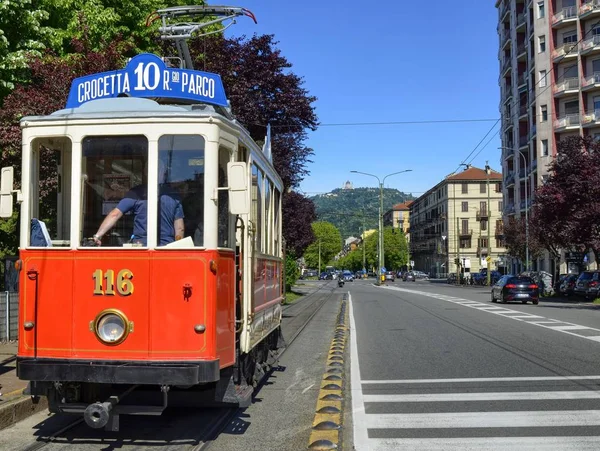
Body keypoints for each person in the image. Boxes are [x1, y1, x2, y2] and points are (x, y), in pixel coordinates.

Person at [92, 160, 184, 246]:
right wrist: (177, 246)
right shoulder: (173, 195)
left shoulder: (136, 193)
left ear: (145, 172)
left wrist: (97, 236)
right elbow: (179, 228)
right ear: (163, 173)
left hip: (141, 246)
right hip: (167, 246)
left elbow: (115, 214)